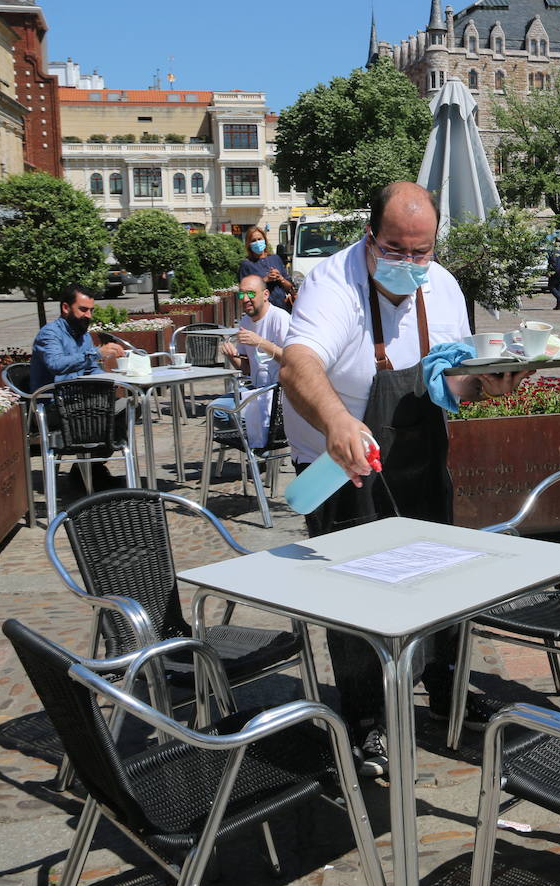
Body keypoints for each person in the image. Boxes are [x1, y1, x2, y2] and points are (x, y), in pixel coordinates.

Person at [278, 181, 532, 777]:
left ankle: (445, 695)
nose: (412, 263)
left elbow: (452, 378)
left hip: (421, 455)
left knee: (443, 582)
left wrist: (487, 386)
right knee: (357, 597)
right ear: (371, 237)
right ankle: (366, 722)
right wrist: (338, 419)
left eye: (423, 251)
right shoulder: (332, 284)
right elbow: (299, 363)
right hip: (344, 467)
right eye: (397, 249)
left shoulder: (442, 286)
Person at [29, 284, 128, 489]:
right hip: (54, 406)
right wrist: (97, 353)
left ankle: (89, 468)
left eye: (91, 310)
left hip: (81, 402)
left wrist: (115, 379)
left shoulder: (82, 334)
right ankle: (89, 472)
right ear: (66, 307)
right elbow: (56, 365)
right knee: (113, 413)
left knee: (130, 406)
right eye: (83, 309)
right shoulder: (49, 334)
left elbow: (90, 369)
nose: (88, 315)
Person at [210, 274, 291, 447]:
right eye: (241, 295)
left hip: (278, 395)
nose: (245, 299)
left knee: (222, 412)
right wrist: (232, 357)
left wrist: (260, 342)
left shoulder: (280, 318)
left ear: (265, 295)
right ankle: (259, 446)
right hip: (255, 390)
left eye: (251, 294)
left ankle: (261, 447)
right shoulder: (245, 321)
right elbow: (246, 369)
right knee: (216, 410)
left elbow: (292, 360)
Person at [238, 226, 296, 313]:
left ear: (265, 240)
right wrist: (265, 280)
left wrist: (281, 278)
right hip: (261, 311)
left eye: (259, 239)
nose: (257, 242)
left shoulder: (275, 259)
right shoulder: (246, 265)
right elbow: (244, 292)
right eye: (254, 240)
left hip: (282, 309)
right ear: (249, 244)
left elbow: (290, 286)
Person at [547, 241, 560, 310]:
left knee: (551, 286)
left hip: (555, 271)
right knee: (559, 287)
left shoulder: (553, 251)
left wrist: (549, 271)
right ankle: (559, 305)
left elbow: (553, 262)